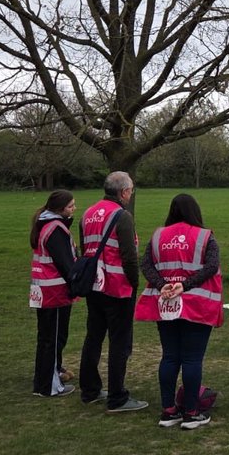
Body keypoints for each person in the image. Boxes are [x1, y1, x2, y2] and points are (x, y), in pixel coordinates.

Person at [135, 194, 223, 429]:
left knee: (170, 356)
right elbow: (212, 265)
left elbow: (145, 263)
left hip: (165, 303)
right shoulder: (205, 236)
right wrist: (186, 285)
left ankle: (168, 410)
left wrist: (160, 283)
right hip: (196, 304)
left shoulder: (158, 236)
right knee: (192, 358)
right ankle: (192, 412)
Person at [78, 171, 147, 413]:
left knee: (93, 337)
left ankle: (90, 389)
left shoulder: (87, 214)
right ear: (123, 192)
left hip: (94, 285)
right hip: (117, 287)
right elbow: (129, 255)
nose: (130, 194)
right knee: (120, 342)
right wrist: (134, 282)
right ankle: (117, 396)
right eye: (130, 190)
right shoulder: (122, 216)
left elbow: (84, 249)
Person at [29, 189, 78, 397]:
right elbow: (65, 263)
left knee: (48, 337)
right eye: (70, 206)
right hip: (54, 292)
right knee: (53, 337)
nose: (74, 208)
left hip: (44, 289)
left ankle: (48, 375)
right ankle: (48, 385)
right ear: (59, 209)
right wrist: (78, 280)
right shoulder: (55, 229)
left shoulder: (45, 225)